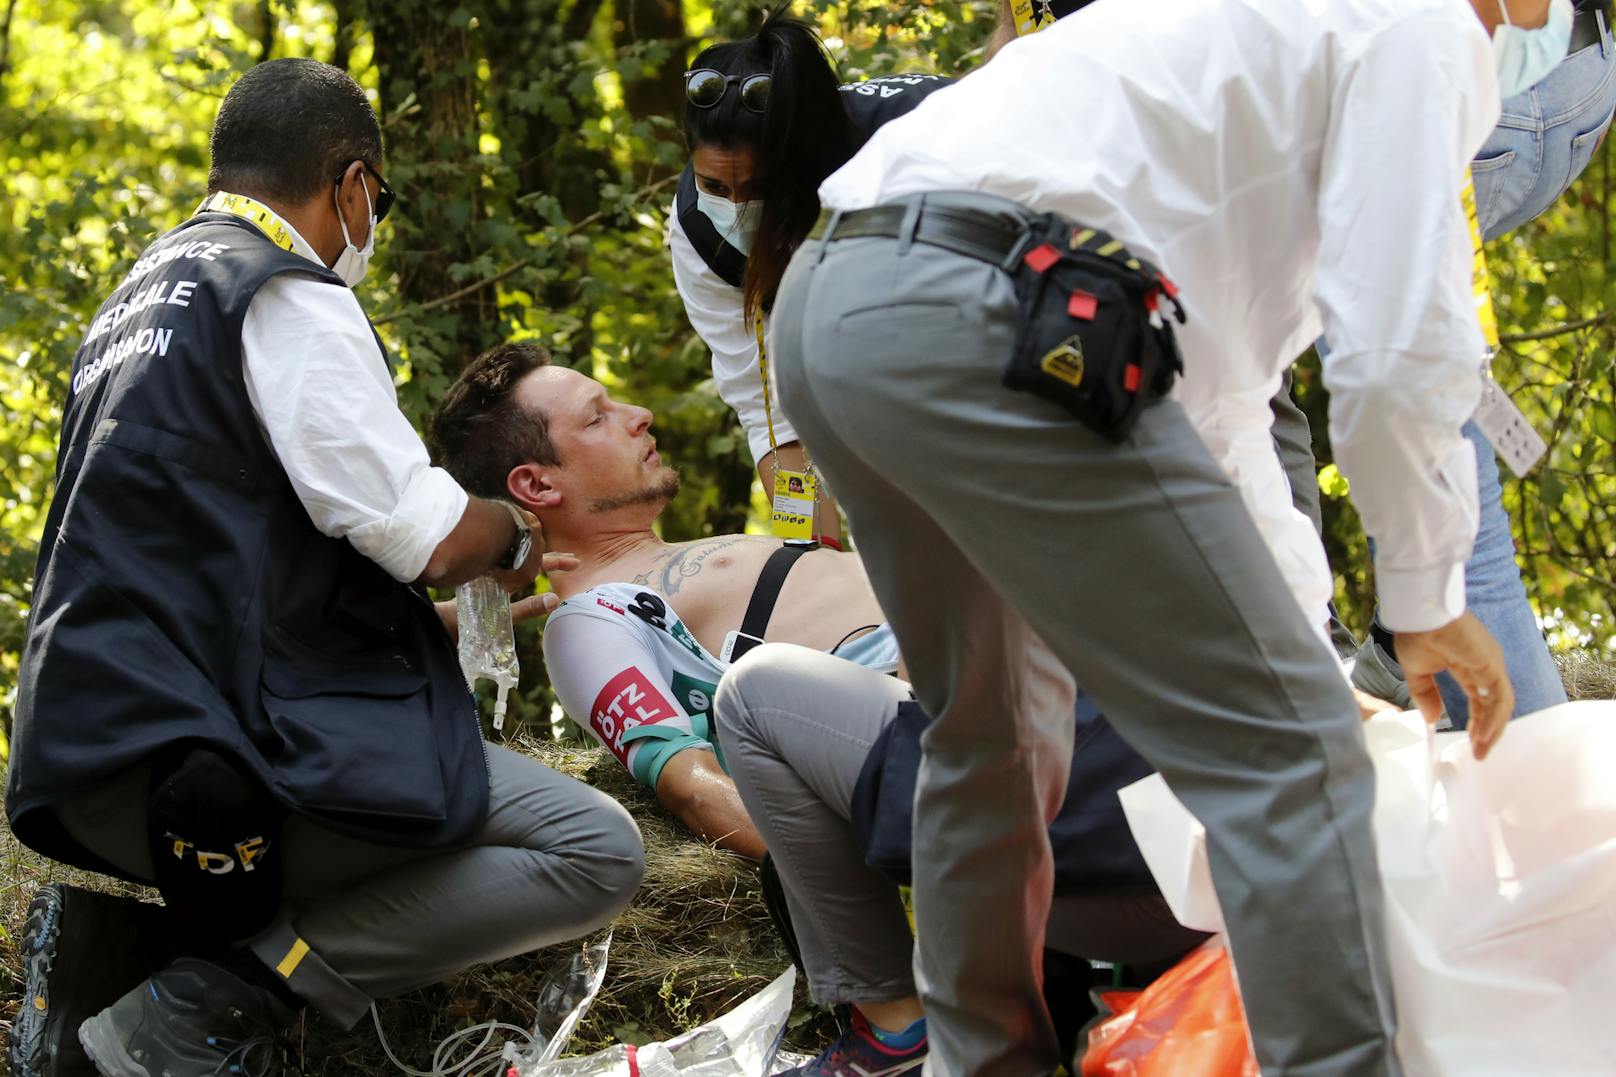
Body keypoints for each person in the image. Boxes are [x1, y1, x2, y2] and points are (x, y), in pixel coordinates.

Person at [769, 1, 1551, 1073]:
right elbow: (1398, 355)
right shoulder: (1419, 24)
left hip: (834, 305)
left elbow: (1223, 406)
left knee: (990, 736)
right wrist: (1421, 602)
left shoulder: (1255, 33)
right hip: (1001, 308)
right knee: (1290, 762)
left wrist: (1300, 657)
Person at [5, 59, 643, 1077]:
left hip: (98, 744)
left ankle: (177, 973)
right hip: (209, 770)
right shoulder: (281, 293)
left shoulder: (144, 299)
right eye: (376, 199)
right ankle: (215, 999)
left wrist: (416, 639)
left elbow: (227, 565)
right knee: (593, 849)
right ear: (350, 184)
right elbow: (422, 535)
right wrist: (512, 540)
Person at [429, 341, 902, 861]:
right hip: (915, 712)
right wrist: (864, 880)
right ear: (538, 485)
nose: (639, 416)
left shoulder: (706, 550)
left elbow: (805, 501)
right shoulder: (589, 619)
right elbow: (691, 786)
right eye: (596, 419)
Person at [1327, 0, 1615, 720]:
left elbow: (1384, 384)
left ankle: (1535, 816)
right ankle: (1394, 649)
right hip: (1581, 78)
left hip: (1462, 91)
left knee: (1460, 542)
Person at [669, 6, 951, 542]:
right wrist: (811, 554)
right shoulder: (699, 235)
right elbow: (769, 410)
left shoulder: (909, 152)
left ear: (801, 167)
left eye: (756, 189)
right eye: (715, 186)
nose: (735, 206)